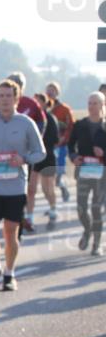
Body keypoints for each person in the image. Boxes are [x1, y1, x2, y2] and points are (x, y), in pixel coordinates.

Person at [0, 80, 46, 291]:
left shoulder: (26, 123)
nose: (5, 100)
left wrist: (24, 159)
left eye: (9, 96)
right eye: (1, 96)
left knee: (10, 233)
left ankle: (9, 273)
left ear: (16, 99)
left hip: (15, 187)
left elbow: (40, 152)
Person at [0, 71, 45, 235]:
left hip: (22, 155)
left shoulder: (31, 104)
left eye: (19, 85)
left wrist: (34, 141)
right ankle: (3, 217)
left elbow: (41, 122)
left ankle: (22, 216)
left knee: (25, 186)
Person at [67, 91, 106, 256]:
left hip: (101, 175)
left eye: (95, 103)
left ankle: (96, 244)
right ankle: (87, 230)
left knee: (97, 209)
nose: (91, 106)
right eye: (89, 103)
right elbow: (70, 145)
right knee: (81, 208)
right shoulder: (80, 125)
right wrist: (74, 157)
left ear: (102, 105)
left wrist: (103, 154)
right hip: (83, 172)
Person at [32, 92, 62, 229]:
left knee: (47, 187)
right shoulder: (31, 119)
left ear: (44, 103)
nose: (35, 104)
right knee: (31, 187)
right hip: (34, 157)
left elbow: (56, 139)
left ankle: (53, 208)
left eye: (38, 101)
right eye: (34, 101)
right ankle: (28, 215)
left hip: (48, 155)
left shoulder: (50, 118)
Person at [45, 82, 75, 202]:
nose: (50, 92)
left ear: (57, 93)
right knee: (48, 176)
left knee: (58, 174)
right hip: (47, 146)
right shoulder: (43, 108)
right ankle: (52, 203)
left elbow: (70, 126)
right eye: (48, 90)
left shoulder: (64, 109)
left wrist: (63, 139)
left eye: (53, 90)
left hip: (61, 146)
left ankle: (62, 187)